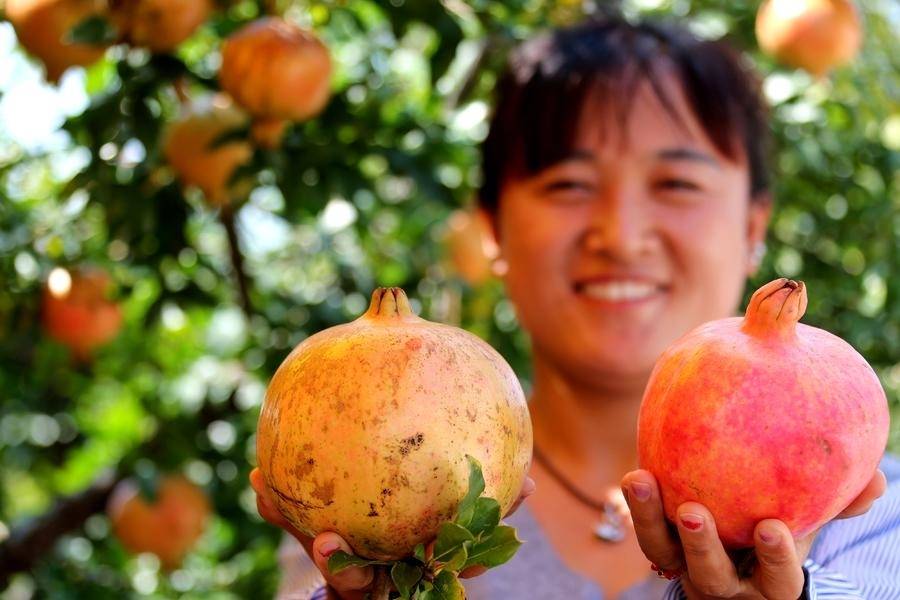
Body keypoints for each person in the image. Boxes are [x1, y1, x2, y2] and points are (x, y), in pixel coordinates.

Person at [249, 16, 900, 599]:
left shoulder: (872, 509)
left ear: (754, 227)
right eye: (569, 184)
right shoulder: (371, 482)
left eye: (676, 183)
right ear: (494, 228)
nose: (619, 234)